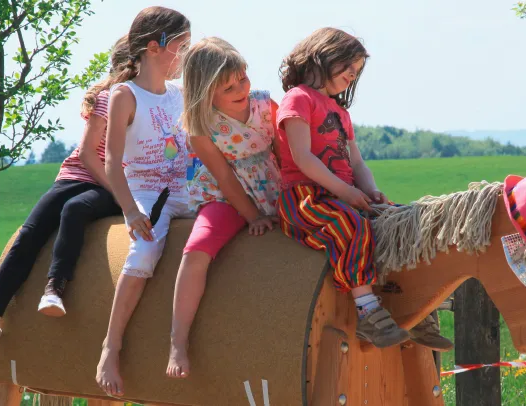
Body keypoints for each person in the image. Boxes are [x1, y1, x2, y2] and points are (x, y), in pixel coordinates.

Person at [275, 27, 452, 351]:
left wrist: (371, 191)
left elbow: (356, 163)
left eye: (357, 71)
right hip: (306, 196)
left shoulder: (341, 113)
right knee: (350, 226)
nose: (352, 75)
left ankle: (414, 309)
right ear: (324, 56)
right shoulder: (299, 98)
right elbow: (302, 157)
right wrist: (345, 192)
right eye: (348, 66)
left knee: (403, 221)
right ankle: (368, 312)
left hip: (342, 194)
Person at [0, 35, 131, 351]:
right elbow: (86, 154)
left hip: (114, 184)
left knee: (75, 210)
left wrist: (123, 195)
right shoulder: (108, 98)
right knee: (29, 234)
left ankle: (55, 287)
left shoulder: (150, 102)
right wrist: (117, 192)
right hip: (79, 177)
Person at [165, 37, 282, 378]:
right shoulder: (201, 128)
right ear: (206, 93)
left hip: (273, 186)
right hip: (225, 196)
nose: (241, 89)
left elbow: (285, 153)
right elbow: (225, 178)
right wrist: (253, 217)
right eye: (228, 87)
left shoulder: (265, 104)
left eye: (242, 79)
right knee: (196, 249)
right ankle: (178, 342)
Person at [94, 6, 192, 397]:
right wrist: (131, 211)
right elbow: (111, 161)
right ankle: (111, 346)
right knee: (145, 252)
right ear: (154, 47)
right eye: (182, 46)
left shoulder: (179, 94)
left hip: (187, 189)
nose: (186, 55)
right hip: (150, 194)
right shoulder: (125, 95)